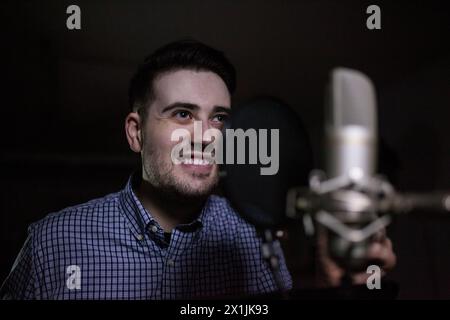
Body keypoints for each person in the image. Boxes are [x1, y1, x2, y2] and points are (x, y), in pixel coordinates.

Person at [0, 40, 395, 300]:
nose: (206, 136)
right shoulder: (52, 243)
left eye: (220, 118)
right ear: (136, 133)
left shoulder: (253, 236)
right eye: (183, 114)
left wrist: (337, 287)